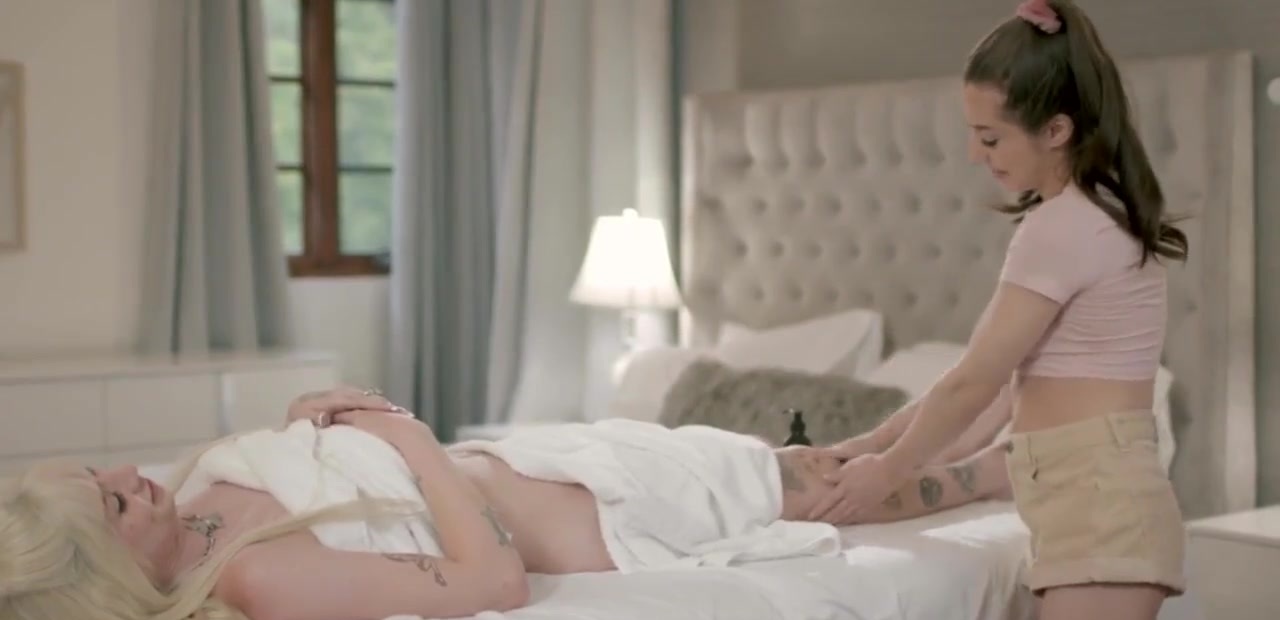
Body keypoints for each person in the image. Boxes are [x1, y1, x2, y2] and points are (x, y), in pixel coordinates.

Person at [0, 386, 1012, 620]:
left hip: (549, 460)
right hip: (596, 516)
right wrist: (404, 434)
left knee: (815, 461)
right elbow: (491, 578)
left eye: (101, 475)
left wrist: (316, 420)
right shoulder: (256, 577)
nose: (127, 478)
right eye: (112, 507)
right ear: (111, 577)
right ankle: (1006, 460)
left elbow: (331, 483)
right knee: (828, 485)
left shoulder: (191, 498)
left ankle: (993, 408)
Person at [809, 1, 1188, 619]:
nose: (975, 154)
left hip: (1102, 511)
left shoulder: (1063, 227)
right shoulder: (1092, 216)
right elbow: (996, 394)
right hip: (1086, 505)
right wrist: (873, 445)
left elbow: (973, 382)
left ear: (1056, 131)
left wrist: (889, 470)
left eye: (990, 137)